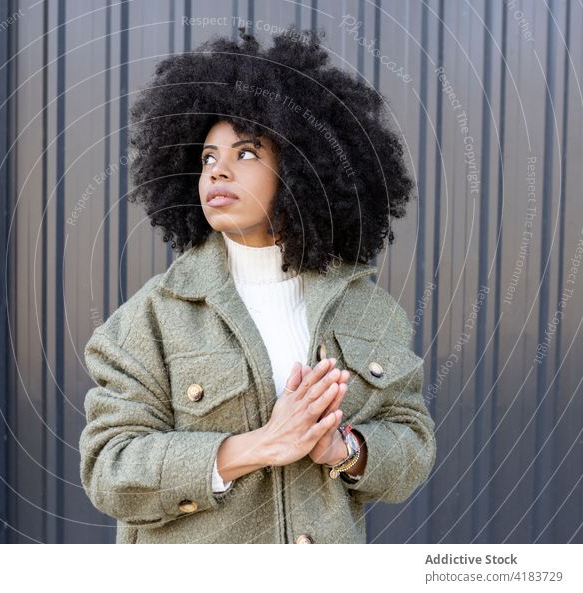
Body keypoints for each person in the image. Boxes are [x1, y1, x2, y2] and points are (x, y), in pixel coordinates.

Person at [79, 27, 436, 544]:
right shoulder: (152, 318)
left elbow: (413, 444)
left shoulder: (366, 311)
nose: (217, 171)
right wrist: (261, 444)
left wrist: (345, 449)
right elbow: (108, 469)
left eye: (244, 153)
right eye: (206, 158)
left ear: (300, 167)